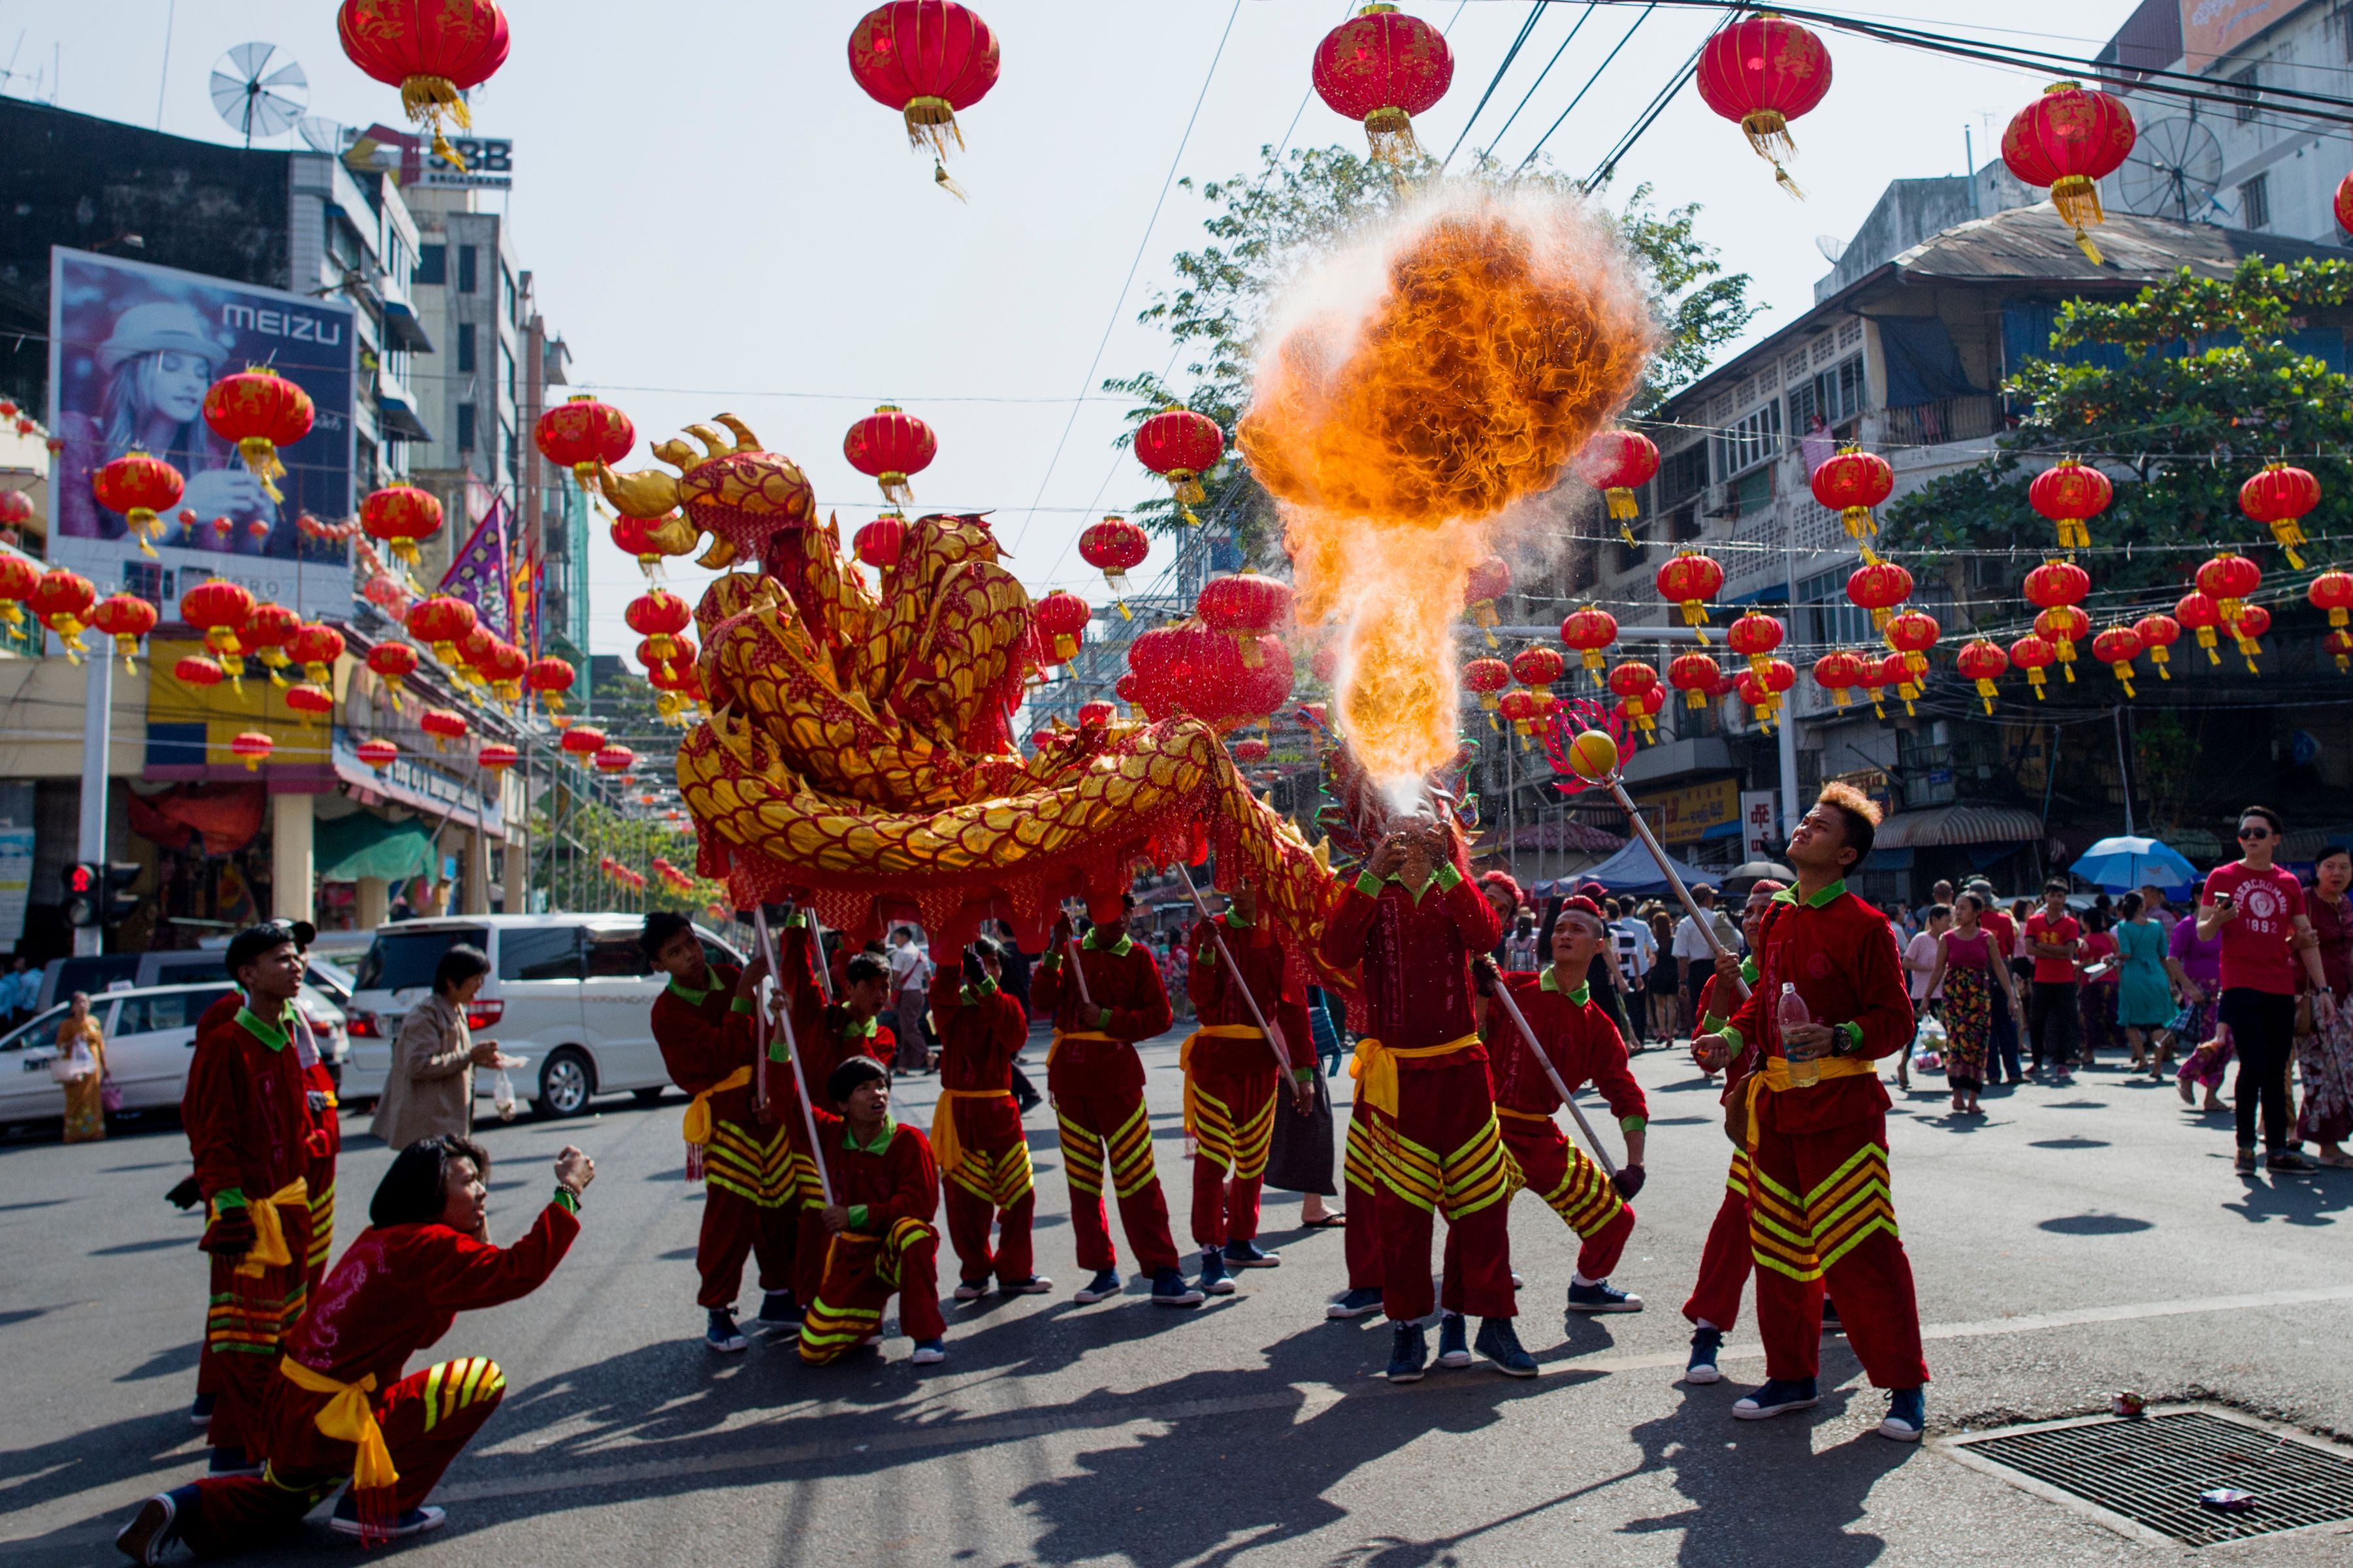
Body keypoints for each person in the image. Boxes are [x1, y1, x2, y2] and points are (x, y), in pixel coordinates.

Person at [114, 1136, 595, 1560]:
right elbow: (518, 1271)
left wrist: (474, 1230)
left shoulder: (383, 1238)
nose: (482, 1191)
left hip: (290, 1416)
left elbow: (429, 1325)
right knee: (482, 1378)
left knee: (282, 1499)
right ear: (430, 1192)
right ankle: (380, 1509)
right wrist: (568, 1192)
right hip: (330, 1419)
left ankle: (185, 1506)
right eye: (469, 1181)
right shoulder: (427, 1247)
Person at [1695, 784, 1927, 1442]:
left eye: (1818, 826)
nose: (1802, 829)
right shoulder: (1776, 918)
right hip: (1775, 1109)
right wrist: (1731, 1040)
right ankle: (1790, 1376)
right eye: (1804, 820)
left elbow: (1895, 1020)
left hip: (1841, 1111)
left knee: (1862, 1246)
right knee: (1777, 1250)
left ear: (1845, 853)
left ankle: (1904, 1387)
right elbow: (1761, 1000)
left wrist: (1840, 1037)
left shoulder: (1865, 925)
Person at [1320, 814, 1528, 1381]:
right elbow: (1334, 951)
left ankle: (1493, 1322)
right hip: (1401, 1079)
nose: (1411, 835)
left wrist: (1448, 870)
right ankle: (1408, 1327)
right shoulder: (1370, 891)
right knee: (1403, 1212)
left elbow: (1487, 936)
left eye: (1425, 828)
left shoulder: (1452, 888)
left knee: (1483, 1204)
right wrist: (1368, 875)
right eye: (1400, 828)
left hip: (1462, 1068)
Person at [180, 923, 332, 1474]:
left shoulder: (287, 1033)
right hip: (249, 1221)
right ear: (247, 974)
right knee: (244, 1344)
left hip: (290, 1212)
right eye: (280, 959)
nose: (296, 966)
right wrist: (229, 1204)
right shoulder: (225, 1042)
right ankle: (232, 1461)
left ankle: (265, 1450)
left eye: (296, 958)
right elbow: (211, 1132)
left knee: (282, 1341)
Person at [644, 910, 814, 1352]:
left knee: (782, 1203)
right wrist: (742, 995)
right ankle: (718, 1309)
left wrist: (771, 1089)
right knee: (729, 1216)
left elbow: (759, 1041)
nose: (690, 957)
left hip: (763, 1107)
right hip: (723, 1117)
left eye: (691, 943)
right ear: (658, 965)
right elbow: (718, 1057)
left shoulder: (726, 973)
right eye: (675, 953)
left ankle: (780, 1294)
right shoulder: (666, 1012)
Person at [1482, 898, 1648, 1317]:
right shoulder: (1510, 988)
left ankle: (1587, 1287)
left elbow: (1626, 1096)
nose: (1565, 936)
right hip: (1488, 1130)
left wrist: (1635, 1165)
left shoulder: (1599, 1026)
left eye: (1576, 930)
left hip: (1541, 1136)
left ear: (1599, 946)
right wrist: (1483, 992)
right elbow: (1475, 1033)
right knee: (1476, 1212)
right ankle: (1480, 1278)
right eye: (1559, 929)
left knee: (1616, 1220)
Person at [1032, 893, 1198, 1307]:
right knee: (1084, 1183)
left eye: (1127, 910)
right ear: (1092, 914)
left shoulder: (1140, 956)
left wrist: (1106, 1020)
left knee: (1139, 1178)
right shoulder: (1069, 952)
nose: (1122, 919)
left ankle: (1164, 1269)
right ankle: (1101, 1270)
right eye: (1112, 911)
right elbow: (1041, 1002)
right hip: (1070, 1084)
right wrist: (1055, 949)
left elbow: (1160, 1017)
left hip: (1119, 1083)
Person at [1182, 881, 1316, 1294]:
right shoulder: (1212, 929)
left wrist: (1305, 1073)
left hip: (1262, 1063)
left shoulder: (1277, 937)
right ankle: (1210, 1248)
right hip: (1216, 1062)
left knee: (1253, 1158)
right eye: (1234, 884)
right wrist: (1207, 950)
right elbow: (1200, 998)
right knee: (1213, 1157)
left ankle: (1241, 1238)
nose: (1238, 892)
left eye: (1248, 885)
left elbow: (1293, 1008)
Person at [1680, 881, 1778, 1384]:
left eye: (1769, 910)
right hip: (1757, 1124)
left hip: (1812, 1118)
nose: (1757, 919)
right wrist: (1722, 987)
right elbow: (1706, 1050)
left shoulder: (1802, 969)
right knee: (1735, 1224)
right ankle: (1708, 1328)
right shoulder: (1730, 975)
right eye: (1751, 912)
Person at [2199, 806, 2332, 1174]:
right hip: (2241, 982)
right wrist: (2218, 918)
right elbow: (2203, 932)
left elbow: (2306, 939)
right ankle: (2245, 1146)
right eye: (2245, 834)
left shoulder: (2288, 883)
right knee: (2254, 1064)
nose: (2251, 839)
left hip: (2279, 983)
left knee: (2276, 1069)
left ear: (2276, 838)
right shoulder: (2223, 876)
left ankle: (2278, 1150)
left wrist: (2323, 990)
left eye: (2259, 833)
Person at [798, 1056, 948, 1366]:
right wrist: (779, 1042)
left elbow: (921, 1205)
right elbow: (789, 1099)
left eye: (881, 1086)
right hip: (854, 1258)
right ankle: (868, 1317)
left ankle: (927, 1335)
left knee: (913, 1232)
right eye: (863, 1089)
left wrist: (854, 1215)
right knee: (813, 1348)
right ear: (842, 1105)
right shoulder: (832, 1136)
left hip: (895, 1250)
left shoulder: (909, 1141)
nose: (876, 1094)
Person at [930, 937, 1050, 1296]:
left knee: (1021, 1194)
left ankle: (1015, 1271)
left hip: (1001, 1111)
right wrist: (955, 963)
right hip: (960, 1111)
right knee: (965, 1200)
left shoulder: (1005, 1003)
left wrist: (983, 983)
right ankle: (975, 1272)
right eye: (983, 964)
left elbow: (1014, 1038)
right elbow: (943, 993)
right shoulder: (949, 1006)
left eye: (995, 964)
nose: (991, 970)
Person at [370, 945, 500, 1149]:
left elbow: (454, 1057)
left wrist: (480, 1059)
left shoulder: (456, 1009)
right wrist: (468, 1056)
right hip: (429, 1129)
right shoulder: (426, 1015)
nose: (479, 986)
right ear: (451, 982)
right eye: (475, 979)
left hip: (450, 1122)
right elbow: (418, 1065)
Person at [1924, 894, 2024, 1116]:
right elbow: (1938, 970)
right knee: (1957, 1046)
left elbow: (1999, 968)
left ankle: (1973, 1098)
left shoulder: (1987, 938)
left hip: (1979, 997)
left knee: (1978, 1046)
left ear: (1977, 912)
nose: (1958, 912)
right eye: (1956, 908)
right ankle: (1957, 1094)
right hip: (1955, 998)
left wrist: (2011, 997)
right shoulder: (1947, 938)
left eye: (1963, 908)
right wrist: (1927, 997)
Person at [1269, 980, 1343, 1228]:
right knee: (1312, 1121)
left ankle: (1234, 1189)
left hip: (1291, 1039)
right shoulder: (1284, 946)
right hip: (1291, 1042)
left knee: (1280, 1127)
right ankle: (1313, 1206)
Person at [2296, 844, 2353, 1168]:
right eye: (2330, 866)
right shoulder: (2303, 902)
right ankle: (2327, 1146)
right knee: (2322, 1072)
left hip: (2346, 1001)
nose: (2337, 873)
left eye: (2344, 867)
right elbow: (2287, 944)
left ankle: (2319, 1136)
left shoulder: (2346, 905)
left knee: (2346, 1072)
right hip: (2312, 1000)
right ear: (2317, 870)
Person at [784, 951, 898, 1112]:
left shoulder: (884, 1038)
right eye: (869, 986)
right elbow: (798, 971)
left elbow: (869, 1077)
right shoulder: (824, 1018)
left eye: (885, 987)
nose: (879, 995)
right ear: (850, 988)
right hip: (810, 1120)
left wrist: (852, 1034)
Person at [2167, 908, 2230, 1111]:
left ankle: (2211, 1094)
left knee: (2228, 1043)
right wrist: (2189, 988)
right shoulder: (2187, 925)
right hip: (2200, 990)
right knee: (2214, 1040)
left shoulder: (2225, 923)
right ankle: (2187, 1074)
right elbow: (2173, 959)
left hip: (2225, 987)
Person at [2024, 879, 2081, 1082]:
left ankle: (2061, 1062)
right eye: (2053, 895)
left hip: (2064, 979)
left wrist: (2043, 947)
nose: (2056, 900)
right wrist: (2054, 951)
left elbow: (2069, 952)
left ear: (2065, 899)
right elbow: (2029, 949)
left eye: (2060, 896)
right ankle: (2037, 1061)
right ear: (2046, 897)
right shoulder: (2034, 921)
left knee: (2064, 1021)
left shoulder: (2070, 923)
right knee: (2037, 1021)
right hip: (2042, 978)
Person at [2113, 893, 2174, 1073]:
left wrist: (2112, 959)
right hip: (2156, 974)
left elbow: (2126, 953)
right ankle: (2158, 1066)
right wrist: (2171, 981)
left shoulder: (2123, 926)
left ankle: (2142, 1060)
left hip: (2133, 976)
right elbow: (2164, 955)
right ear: (2142, 906)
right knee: (2157, 1024)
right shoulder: (2156, 926)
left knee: (2130, 1021)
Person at [57, 990, 109, 1143]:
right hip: (75, 1067)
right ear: (72, 1007)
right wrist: (73, 1041)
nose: (82, 1006)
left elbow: (100, 1044)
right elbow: (60, 1045)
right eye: (79, 1002)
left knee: (92, 1099)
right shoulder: (68, 1024)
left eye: (85, 1002)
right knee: (76, 1099)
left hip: (92, 1067)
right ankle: (75, 1133)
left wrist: (105, 1065)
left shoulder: (93, 1021)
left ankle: (95, 1132)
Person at [2075, 910, 2120, 1068]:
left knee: (2087, 1018)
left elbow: (2087, 964)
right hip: (2111, 981)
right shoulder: (2111, 938)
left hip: (2091, 982)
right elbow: (2116, 960)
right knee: (2113, 1015)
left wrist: (2074, 966)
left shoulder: (2085, 941)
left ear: (2086, 923)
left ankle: (2089, 1052)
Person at [887, 927, 933, 1075]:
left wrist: (890, 994)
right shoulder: (921, 954)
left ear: (904, 937)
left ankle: (927, 1054)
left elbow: (895, 977)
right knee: (906, 1027)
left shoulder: (902, 954)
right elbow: (928, 975)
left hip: (906, 993)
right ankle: (902, 1065)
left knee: (908, 1028)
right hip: (918, 993)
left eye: (897, 938)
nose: (896, 942)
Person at [1644, 908, 1682, 1041]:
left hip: (1657, 975)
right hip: (1672, 974)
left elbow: (1650, 960)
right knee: (1672, 1005)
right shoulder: (1674, 940)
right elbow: (1678, 959)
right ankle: (1671, 1033)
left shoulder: (1654, 943)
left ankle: (1662, 1031)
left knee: (1659, 1006)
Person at [1502, 910, 1542, 974]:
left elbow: (1507, 958)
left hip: (1515, 973)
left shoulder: (1511, 940)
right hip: (1530, 973)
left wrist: (1506, 970)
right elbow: (1538, 957)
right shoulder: (1534, 941)